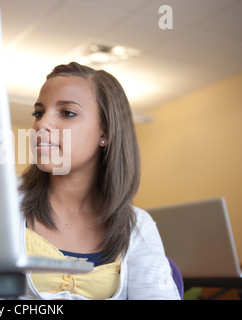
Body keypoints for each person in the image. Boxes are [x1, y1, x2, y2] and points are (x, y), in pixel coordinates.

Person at [18, 62, 180, 300]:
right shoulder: (2, 202)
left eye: (67, 113)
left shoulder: (137, 227)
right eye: (39, 113)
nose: (41, 124)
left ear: (104, 133)